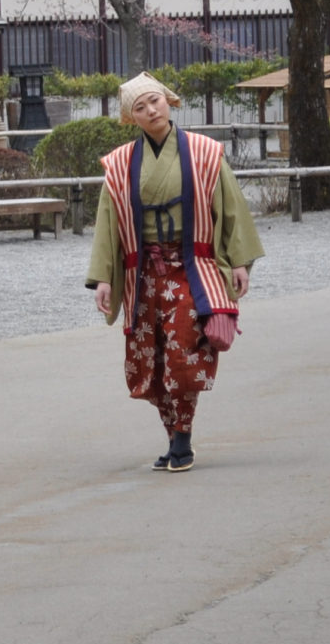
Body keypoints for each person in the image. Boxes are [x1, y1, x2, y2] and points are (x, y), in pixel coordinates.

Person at [85, 72, 263, 472]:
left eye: (155, 101)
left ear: (169, 100)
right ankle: (173, 437)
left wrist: (238, 262)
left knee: (183, 355)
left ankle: (182, 439)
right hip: (143, 273)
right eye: (140, 107)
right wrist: (103, 278)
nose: (151, 111)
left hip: (192, 268)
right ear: (132, 118)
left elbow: (230, 208)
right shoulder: (119, 164)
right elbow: (107, 223)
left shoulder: (204, 152)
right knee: (151, 360)